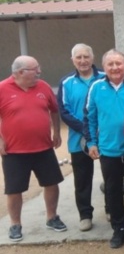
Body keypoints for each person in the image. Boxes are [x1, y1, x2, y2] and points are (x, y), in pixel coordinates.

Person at [84, 50, 124, 249]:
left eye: (118, 63)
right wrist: (91, 142)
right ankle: (119, 229)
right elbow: (89, 117)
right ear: (104, 67)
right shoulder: (96, 87)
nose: (115, 68)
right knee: (112, 190)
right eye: (110, 64)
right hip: (108, 149)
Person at [0, 56, 67, 242]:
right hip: (14, 151)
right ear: (20, 72)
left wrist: (56, 132)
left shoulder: (43, 87)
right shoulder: (2, 88)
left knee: (51, 183)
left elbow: (54, 110)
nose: (39, 72)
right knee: (14, 190)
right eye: (35, 69)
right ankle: (15, 224)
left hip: (43, 148)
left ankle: (52, 217)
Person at [57, 43, 105, 231]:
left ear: (92, 58)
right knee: (82, 180)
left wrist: (99, 130)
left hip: (105, 138)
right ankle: (85, 215)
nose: (83, 61)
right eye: (79, 57)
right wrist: (87, 130)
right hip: (79, 141)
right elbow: (64, 112)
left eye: (86, 57)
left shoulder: (104, 77)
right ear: (73, 60)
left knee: (111, 177)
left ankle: (111, 209)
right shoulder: (66, 82)